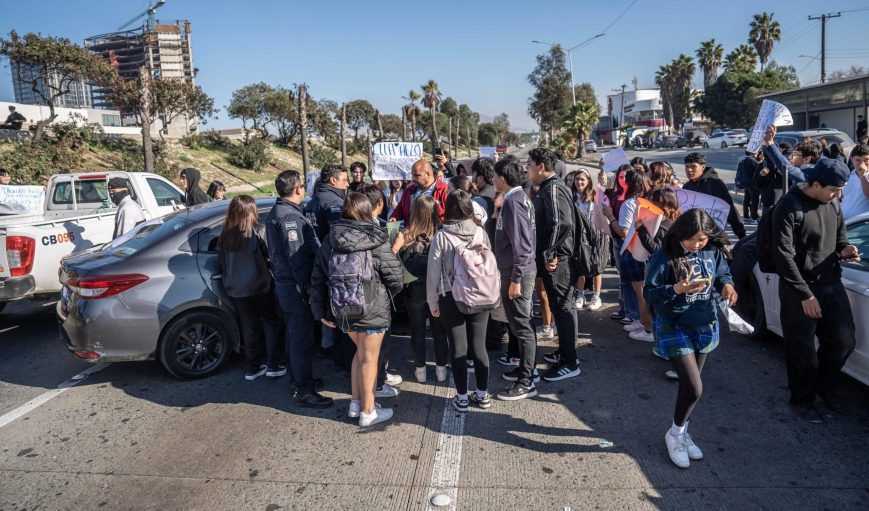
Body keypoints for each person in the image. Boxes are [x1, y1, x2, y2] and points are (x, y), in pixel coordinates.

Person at [644, 209, 738, 468]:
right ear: (680, 233)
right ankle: (674, 434)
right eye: (692, 239)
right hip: (674, 326)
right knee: (695, 387)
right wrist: (676, 288)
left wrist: (727, 286)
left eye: (702, 239)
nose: (696, 245)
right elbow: (650, 294)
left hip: (704, 323)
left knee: (689, 390)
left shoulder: (712, 251)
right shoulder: (664, 256)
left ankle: (682, 431)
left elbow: (722, 274)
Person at [771, 159, 860, 422]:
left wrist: (845, 249)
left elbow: (840, 235)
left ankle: (825, 387)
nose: (839, 195)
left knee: (843, 342)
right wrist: (804, 295)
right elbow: (782, 255)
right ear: (816, 184)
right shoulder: (788, 206)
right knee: (802, 350)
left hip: (831, 282)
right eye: (834, 189)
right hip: (799, 288)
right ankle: (802, 400)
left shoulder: (832, 202)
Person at [310, 192, 404, 427]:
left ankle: (355, 404)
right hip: (372, 307)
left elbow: (318, 276)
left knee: (359, 355)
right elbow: (395, 276)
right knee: (370, 360)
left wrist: (320, 311)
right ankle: (368, 411)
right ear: (366, 211)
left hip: (342, 308)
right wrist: (384, 294)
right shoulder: (376, 237)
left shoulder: (330, 238)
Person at [264, 170, 332, 408]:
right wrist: (309, 288)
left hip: (289, 285)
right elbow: (297, 258)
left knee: (297, 335)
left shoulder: (284, 211)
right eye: (302, 186)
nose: (304, 189)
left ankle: (301, 379)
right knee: (300, 338)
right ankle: (303, 390)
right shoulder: (288, 217)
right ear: (297, 189)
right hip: (295, 287)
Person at [427, 191, 494, 411]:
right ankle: (483, 395)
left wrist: (432, 303)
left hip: (450, 296)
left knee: (458, 348)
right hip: (479, 293)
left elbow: (433, 274)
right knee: (479, 346)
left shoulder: (442, 236)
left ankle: (462, 397)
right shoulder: (481, 233)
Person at [526, 148, 581, 382]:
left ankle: (571, 362)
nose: (526, 169)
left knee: (563, 308)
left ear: (541, 167)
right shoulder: (548, 188)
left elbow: (562, 223)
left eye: (529, 164)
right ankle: (564, 352)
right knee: (560, 308)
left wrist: (550, 252)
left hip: (559, 262)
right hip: (555, 260)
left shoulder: (554, 188)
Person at [218, 195, 285, 382]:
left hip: (235, 288)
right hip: (260, 285)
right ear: (251, 211)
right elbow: (271, 258)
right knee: (270, 322)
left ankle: (252, 368)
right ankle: (273, 365)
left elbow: (222, 262)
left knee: (248, 326)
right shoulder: (258, 231)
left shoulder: (225, 235)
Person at [493, 157, 539, 400]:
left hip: (516, 272)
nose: (492, 179)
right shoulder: (515, 198)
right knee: (520, 325)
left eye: (494, 175)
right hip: (514, 270)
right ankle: (525, 369)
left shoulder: (515, 201)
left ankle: (527, 381)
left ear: (503, 177)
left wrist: (516, 278)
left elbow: (522, 244)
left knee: (522, 327)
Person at [392, 195, 449, 383]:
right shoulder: (441, 233)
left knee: (417, 331)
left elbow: (392, 264)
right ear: (434, 212)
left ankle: (421, 370)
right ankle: (441, 369)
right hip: (437, 289)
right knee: (439, 331)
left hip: (413, 290)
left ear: (414, 212)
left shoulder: (405, 235)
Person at [359, 183, 403, 396]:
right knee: (377, 341)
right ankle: (377, 384)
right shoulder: (375, 231)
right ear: (379, 203)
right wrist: (395, 248)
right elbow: (388, 267)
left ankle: (379, 377)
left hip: (355, 294)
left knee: (364, 348)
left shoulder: (350, 227)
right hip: (375, 292)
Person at [603, 169, 654, 342]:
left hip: (633, 251)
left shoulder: (630, 204)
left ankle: (647, 328)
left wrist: (610, 216)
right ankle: (643, 322)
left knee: (640, 292)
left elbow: (623, 232)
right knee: (644, 290)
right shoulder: (648, 201)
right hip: (647, 250)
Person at [682, 153, 746, 239]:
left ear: (702, 167)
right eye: (687, 166)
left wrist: (741, 234)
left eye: (693, 166)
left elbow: (729, 209)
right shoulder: (686, 187)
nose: (689, 170)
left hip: (713, 234)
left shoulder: (715, 183)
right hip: (693, 234)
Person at [571, 169, 608, 311]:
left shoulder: (594, 197)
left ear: (588, 182)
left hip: (596, 236)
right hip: (579, 237)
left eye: (582, 179)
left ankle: (596, 296)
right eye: (577, 179)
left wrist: (602, 173)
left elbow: (603, 184)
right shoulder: (573, 197)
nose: (579, 182)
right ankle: (580, 295)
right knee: (580, 267)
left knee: (596, 267)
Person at [305, 164, 349, 242]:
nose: (347, 184)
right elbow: (340, 235)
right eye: (344, 180)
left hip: (316, 250)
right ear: (333, 180)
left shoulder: (313, 200)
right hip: (329, 251)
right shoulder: (335, 203)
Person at [841, 144, 869, 220]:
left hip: (860, 225)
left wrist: (862, 175)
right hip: (845, 222)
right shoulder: (849, 175)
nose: (862, 164)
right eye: (858, 160)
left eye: (866, 160)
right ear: (851, 160)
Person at [736, 151, 763, 222]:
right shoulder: (752, 160)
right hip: (753, 184)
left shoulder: (744, 159)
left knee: (747, 200)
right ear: (753, 153)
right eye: (757, 152)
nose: (757, 154)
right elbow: (756, 171)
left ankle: (746, 216)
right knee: (754, 201)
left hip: (747, 183)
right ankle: (754, 217)